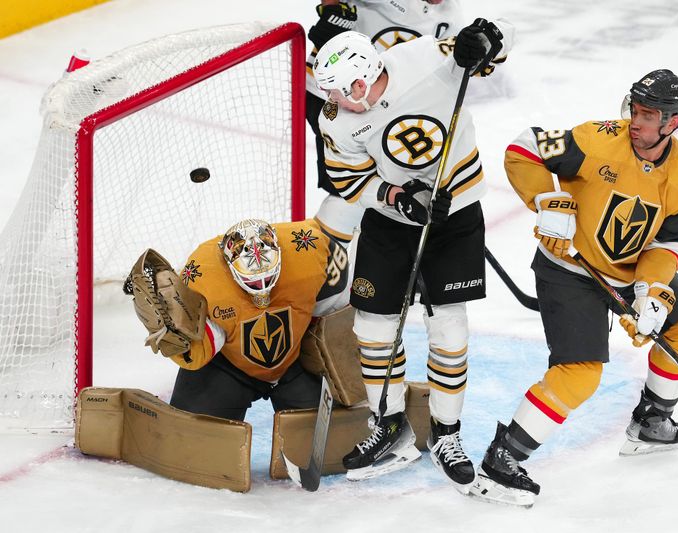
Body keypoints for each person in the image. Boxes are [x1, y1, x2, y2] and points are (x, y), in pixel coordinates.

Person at [471, 69, 678, 506]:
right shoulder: (597, 139)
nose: (635, 120)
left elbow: (669, 243)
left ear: (672, 122)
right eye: (635, 109)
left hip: (626, 272)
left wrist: (653, 292)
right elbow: (523, 148)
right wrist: (547, 200)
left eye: (647, 114)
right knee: (581, 373)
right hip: (569, 269)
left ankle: (651, 424)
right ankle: (501, 459)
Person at [311, 21, 513, 493]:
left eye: (340, 91)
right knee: (372, 327)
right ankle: (391, 424)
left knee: (448, 327)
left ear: (361, 80)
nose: (334, 102)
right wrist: (398, 196)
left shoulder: (426, 59)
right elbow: (352, 181)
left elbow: (494, 55)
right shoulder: (335, 119)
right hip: (390, 223)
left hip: (456, 215)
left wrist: (484, 40)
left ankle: (446, 434)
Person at [126, 218, 351, 421]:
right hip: (229, 366)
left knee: (336, 427)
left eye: (268, 277)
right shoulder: (202, 274)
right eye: (253, 283)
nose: (262, 291)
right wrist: (172, 340)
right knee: (193, 437)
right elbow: (200, 347)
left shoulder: (308, 248)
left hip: (296, 357)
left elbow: (338, 311)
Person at [304, 0, 468, 246]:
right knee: (351, 186)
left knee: (393, 191)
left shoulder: (450, 17)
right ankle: (330, 263)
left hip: (392, 114)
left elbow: (452, 69)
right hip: (336, 103)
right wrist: (332, 10)